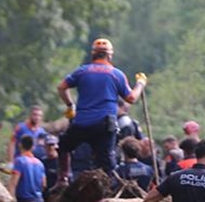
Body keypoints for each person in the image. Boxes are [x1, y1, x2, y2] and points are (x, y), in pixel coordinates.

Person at [56, 39, 145, 184]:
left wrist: (69, 105)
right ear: (110, 55)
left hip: (82, 122)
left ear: (93, 54)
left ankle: (63, 178)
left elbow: (61, 87)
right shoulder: (116, 74)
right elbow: (131, 98)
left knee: (64, 146)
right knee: (105, 165)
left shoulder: (82, 71)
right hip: (104, 126)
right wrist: (141, 84)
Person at [8, 134, 46, 202]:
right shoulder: (40, 163)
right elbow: (43, 184)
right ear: (33, 147)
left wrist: (11, 200)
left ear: (20, 145)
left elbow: (13, 183)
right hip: (39, 201)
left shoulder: (19, 161)